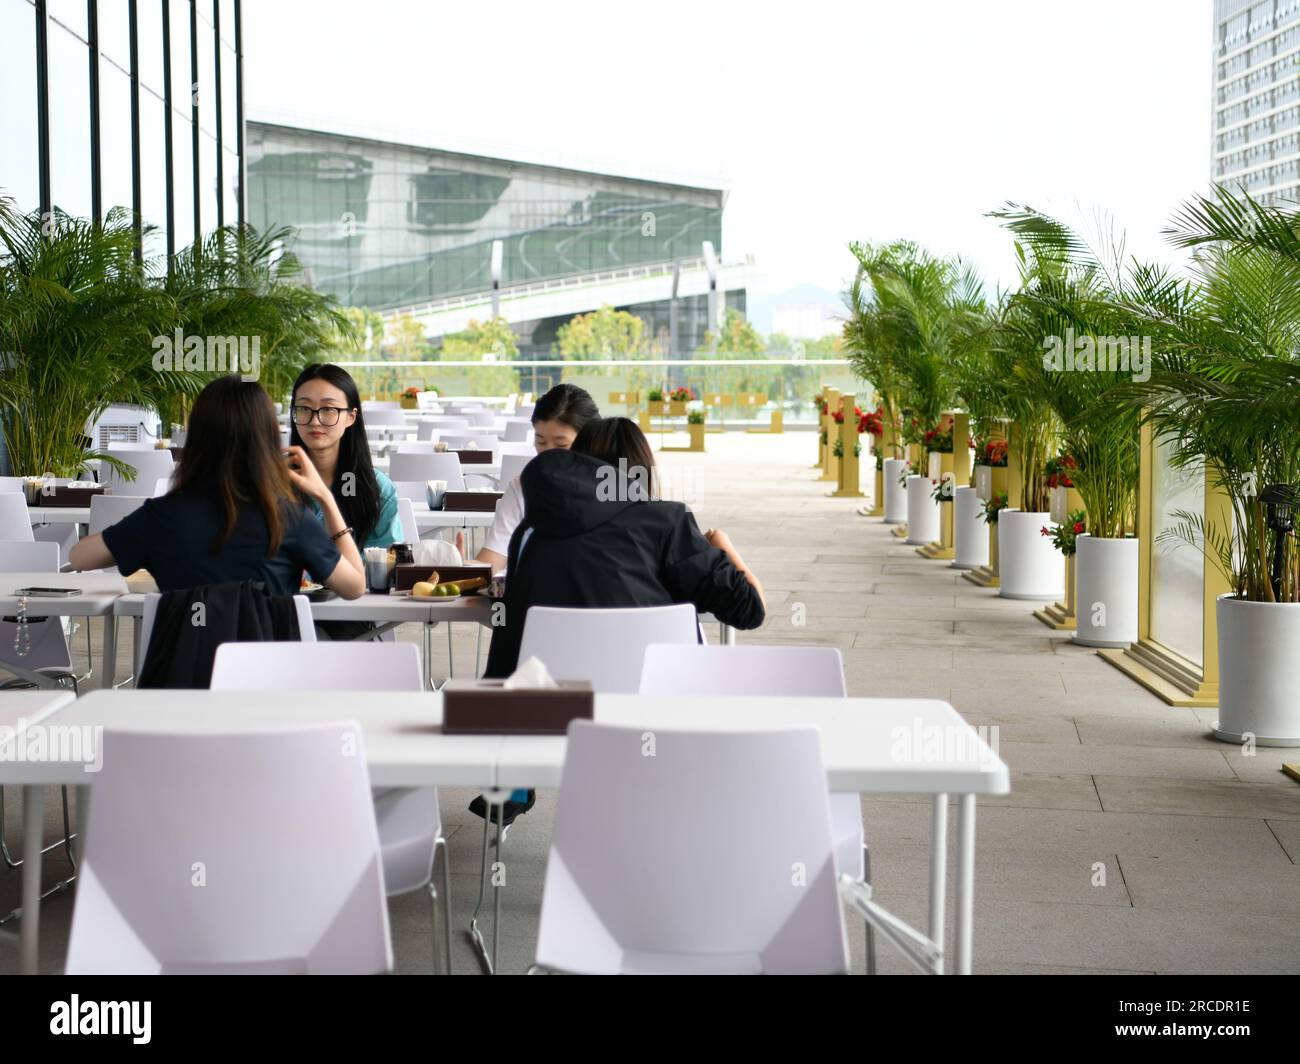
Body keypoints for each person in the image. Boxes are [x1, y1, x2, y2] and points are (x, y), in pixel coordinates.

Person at [475, 416, 766, 826]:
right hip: (657, 716)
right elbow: (749, 609)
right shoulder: (668, 522)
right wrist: (723, 546)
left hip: (548, 718)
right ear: (642, 472)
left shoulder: (531, 534)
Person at [70, 376, 365, 601]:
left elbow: (79, 557)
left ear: (197, 439)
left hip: (182, 676)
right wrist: (326, 497)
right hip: (270, 677)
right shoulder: (290, 519)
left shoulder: (162, 516)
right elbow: (354, 587)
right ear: (266, 440)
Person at [288, 364, 403, 638]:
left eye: (328, 409)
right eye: (304, 409)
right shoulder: (273, 482)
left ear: (351, 417)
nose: (315, 420)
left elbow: (383, 569)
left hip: (348, 614)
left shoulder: (377, 490)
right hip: (283, 610)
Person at [472, 383, 600, 573]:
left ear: (589, 439)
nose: (547, 453)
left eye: (561, 444)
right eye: (540, 442)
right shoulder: (523, 488)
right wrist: (462, 572)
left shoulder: (614, 487)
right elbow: (493, 558)